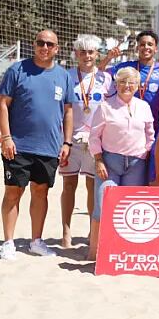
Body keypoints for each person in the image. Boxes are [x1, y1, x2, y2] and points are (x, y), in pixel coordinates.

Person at [0, 30, 76, 260]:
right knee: (13, 192)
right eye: (41, 43)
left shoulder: (63, 76)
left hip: (49, 147)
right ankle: (9, 242)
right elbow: (3, 105)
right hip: (18, 145)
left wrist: (67, 142)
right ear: (34, 44)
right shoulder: (17, 70)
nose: (45, 47)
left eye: (50, 44)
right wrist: (6, 138)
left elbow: (68, 112)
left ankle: (36, 241)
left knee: (41, 192)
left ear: (57, 49)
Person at [86, 66, 156, 261]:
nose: (127, 85)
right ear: (116, 84)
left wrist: (146, 153)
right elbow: (94, 136)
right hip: (110, 162)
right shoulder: (105, 106)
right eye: (123, 81)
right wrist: (98, 159)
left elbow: (150, 134)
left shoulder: (144, 106)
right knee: (102, 206)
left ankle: (125, 250)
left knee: (131, 208)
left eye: (131, 82)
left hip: (136, 164)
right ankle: (94, 252)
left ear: (137, 86)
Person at [59, 34, 113, 249]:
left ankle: (93, 231)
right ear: (76, 55)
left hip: (95, 140)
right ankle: (66, 231)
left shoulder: (105, 79)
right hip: (71, 139)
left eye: (91, 52)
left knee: (93, 186)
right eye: (82, 52)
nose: (87, 56)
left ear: (96, 54)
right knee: (69, 184)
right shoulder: (67, 76)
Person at [106, 30, 159, 131]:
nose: (146, 47)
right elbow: (101, 74)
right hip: (125, 124)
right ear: (137, 48)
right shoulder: (126, 67)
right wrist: (108, 58)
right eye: (142, 44)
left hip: (152, 125)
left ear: (156, 49)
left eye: (150, 44)